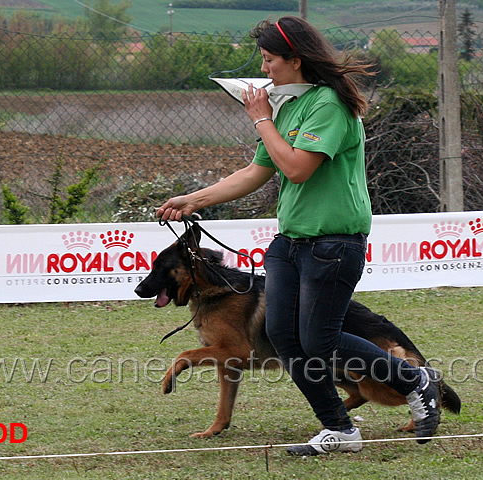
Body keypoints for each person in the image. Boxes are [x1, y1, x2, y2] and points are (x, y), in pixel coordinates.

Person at [156, 15, 440, 456]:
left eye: (270, 60)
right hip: (290, 244)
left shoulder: (327, 105)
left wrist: (261, 120)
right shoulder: (287, 105)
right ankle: (340, 429)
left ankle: (414, 380)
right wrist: (193, 200)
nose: (265, 69)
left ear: (296, 59)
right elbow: (257, 171)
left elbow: (296, 168)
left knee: (318, 342)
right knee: (287, 340)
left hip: (333, 243)